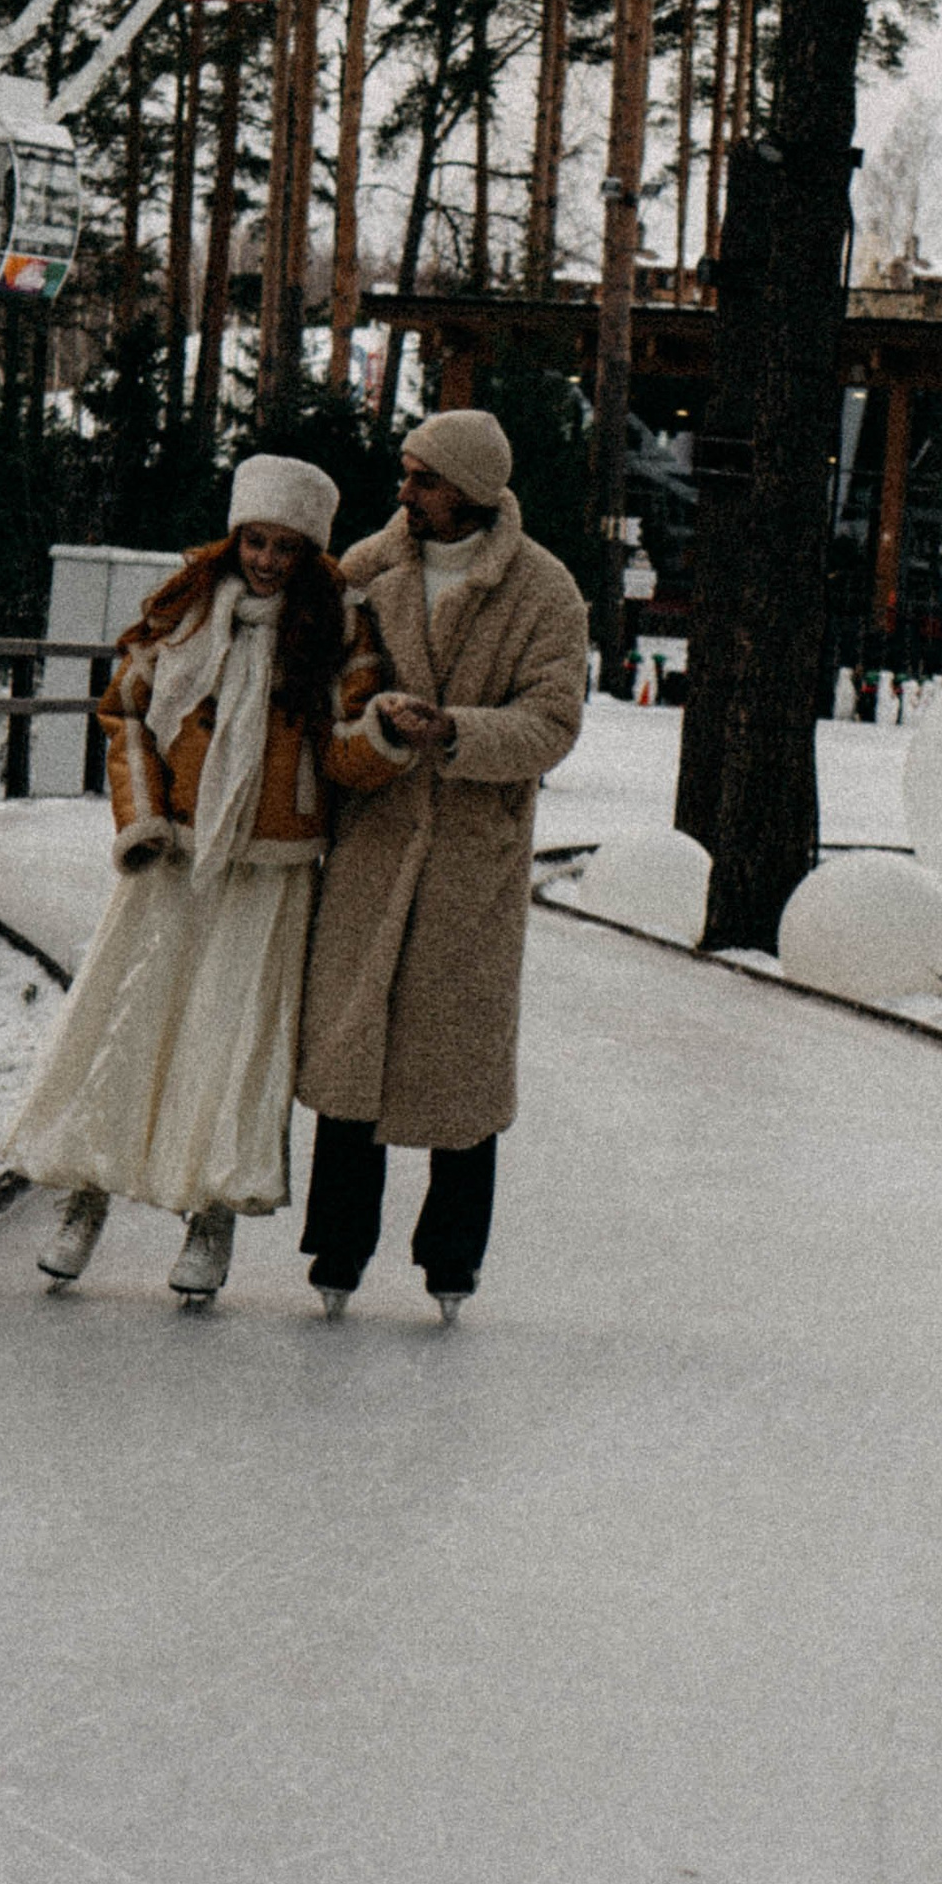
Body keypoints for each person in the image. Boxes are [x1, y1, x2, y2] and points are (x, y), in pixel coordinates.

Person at [6, 454, 405, 1303]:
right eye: (255, 541)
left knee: (235, 1043)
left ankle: (211, 1216)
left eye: (287, 547)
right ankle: (84, 1197)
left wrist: (386, 735)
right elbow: (126, 714)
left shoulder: (338, 629)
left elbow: (343, 752)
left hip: (272, 868)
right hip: (174, 854)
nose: (267, 560)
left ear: (311, 553)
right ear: (234, 537)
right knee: (124, 1024)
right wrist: (142, 818)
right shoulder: (183, 611)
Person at [296, 407, 586, 1319]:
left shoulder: (544, 592)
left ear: (469, 489)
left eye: (423, 478)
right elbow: (316, 680)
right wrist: (374, 726)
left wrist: (457, 730)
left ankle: (452, 1261)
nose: (405, 491)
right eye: (406, 472)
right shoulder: (366, 570)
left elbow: (553, 721)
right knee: (352, 1054)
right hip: (373, 842)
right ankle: (337, 1250)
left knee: (460, 1070)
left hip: (471, 862)